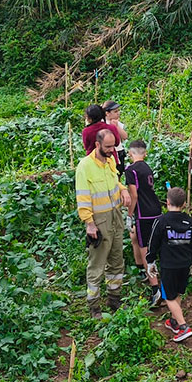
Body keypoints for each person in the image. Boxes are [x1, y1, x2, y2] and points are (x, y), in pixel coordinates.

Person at [76, 129, 131, 318]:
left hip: (115, 216)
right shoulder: (85, 166)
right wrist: (89, 223)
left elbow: (114, 182)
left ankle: (114, 299)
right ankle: (94, 306)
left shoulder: (110, 161)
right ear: (97, 145)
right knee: (97, 264)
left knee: (117, 260)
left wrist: (123, 189)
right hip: (99, 220)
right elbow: (82, 198)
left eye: (113, 146)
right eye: (108, 147)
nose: (111, 150)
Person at [146, 187, 192, 343]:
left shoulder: (161, 221)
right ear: (184, 204)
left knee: (169, 297)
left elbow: (153, 243)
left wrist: (150, 261)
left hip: (169, 266)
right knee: (177, 293)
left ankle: (184, 327)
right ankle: (174, 321)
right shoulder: (189, 221)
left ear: (167, 202)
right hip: (185, 264)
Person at [124, 140, 163, 304]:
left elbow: (134, 196)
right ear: (145, 153)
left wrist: (129, 215)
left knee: (145, 249)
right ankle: (142, 271)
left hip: (143, 214)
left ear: (130, 153)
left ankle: (155, 289)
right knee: (135, 238)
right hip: (156, 210)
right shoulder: (147, 167)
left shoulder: (131, 170)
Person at [81, 105, 122, 169]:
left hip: (93, 162)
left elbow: (86, 147)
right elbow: (117, 142)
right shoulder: (111, 127)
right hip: (110, 160)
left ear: (89, 118)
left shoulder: (86, 131)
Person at [103, 100, 129, 173]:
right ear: (107, 113)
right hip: (110, 152)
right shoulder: (103, 124)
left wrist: (116, 126)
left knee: (119, 173)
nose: (118, 113)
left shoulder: (117, 123)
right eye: (115, 111)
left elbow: (125, 136)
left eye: (118, 111)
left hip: (119, 151)